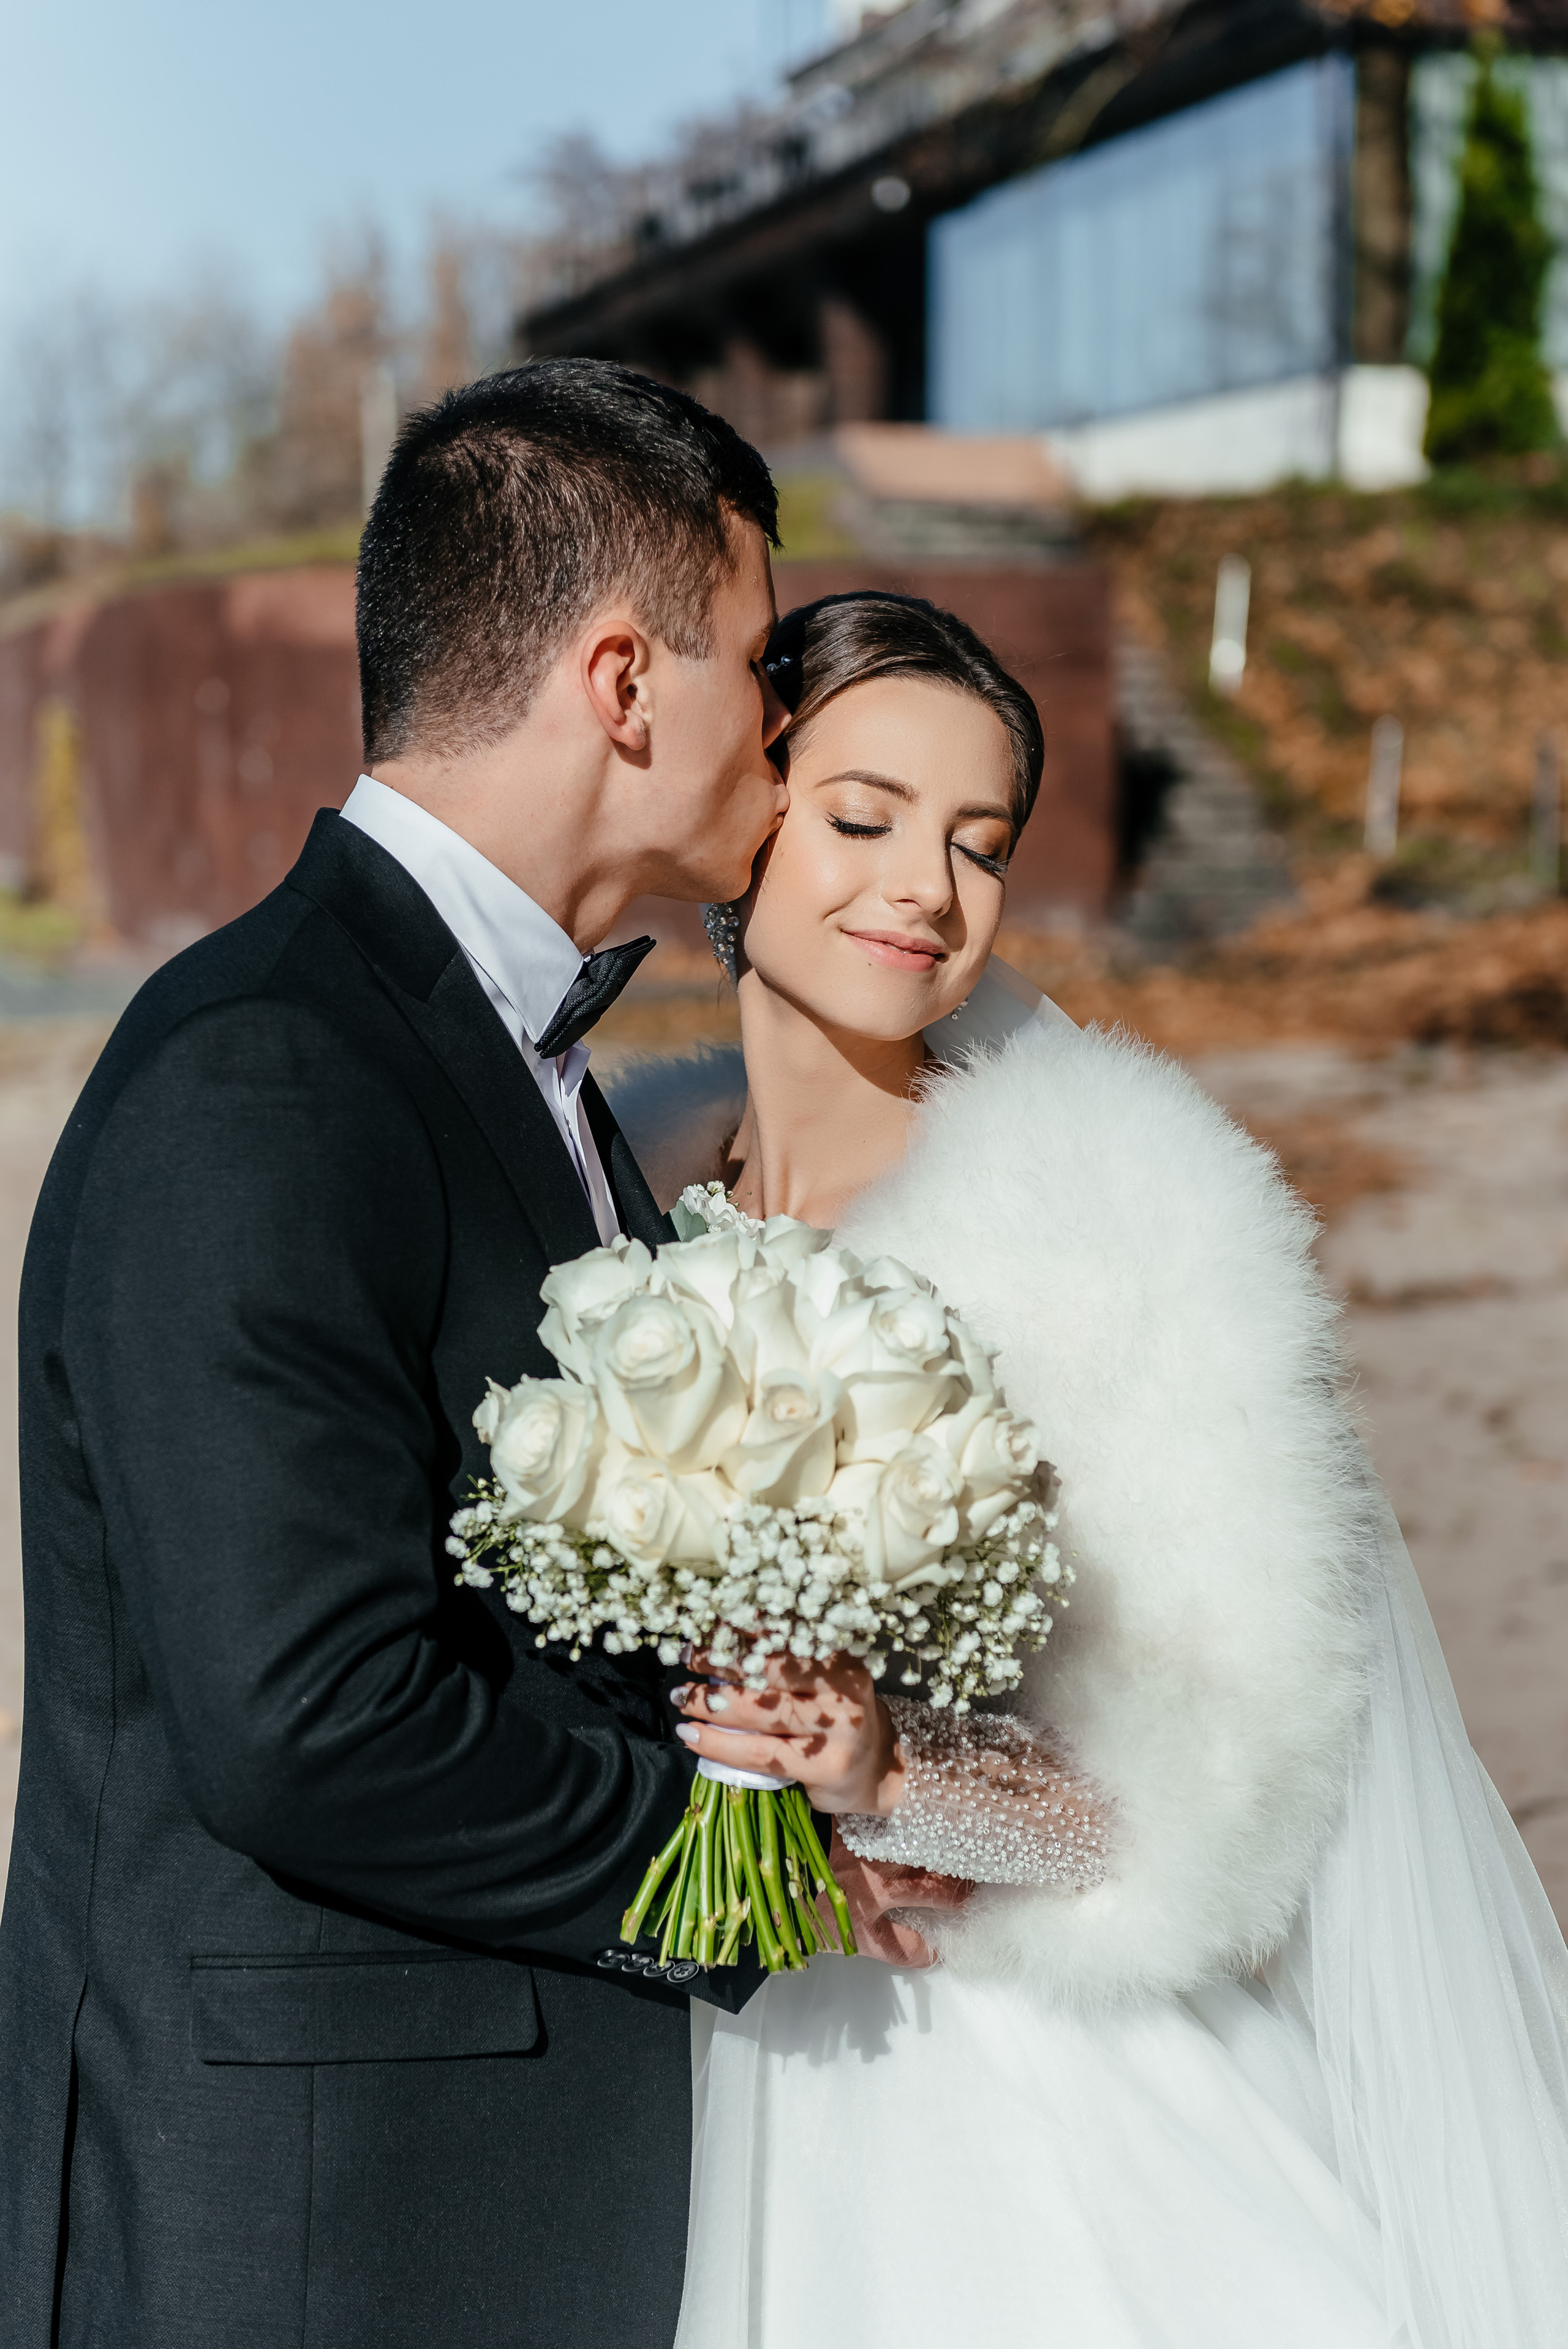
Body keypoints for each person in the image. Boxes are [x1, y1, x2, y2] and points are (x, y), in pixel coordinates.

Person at [0, 365, 894, 2349]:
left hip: (476, 2190)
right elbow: (307, 1713)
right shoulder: (270, 1069)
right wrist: (765, 1877)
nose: (786, 718)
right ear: (622, 681)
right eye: (758, 659)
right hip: (318, 2232)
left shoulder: (521, 1066)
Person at [607, 591, 1568, 2348]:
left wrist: (898, 1767)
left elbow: (1199, 1801)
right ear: (748, 812)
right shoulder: (626, 1213)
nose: (928, 888)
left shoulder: (1095, 1222)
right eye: (864, 816)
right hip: (726, 2048)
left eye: (983, 846)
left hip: (1021, 2104)